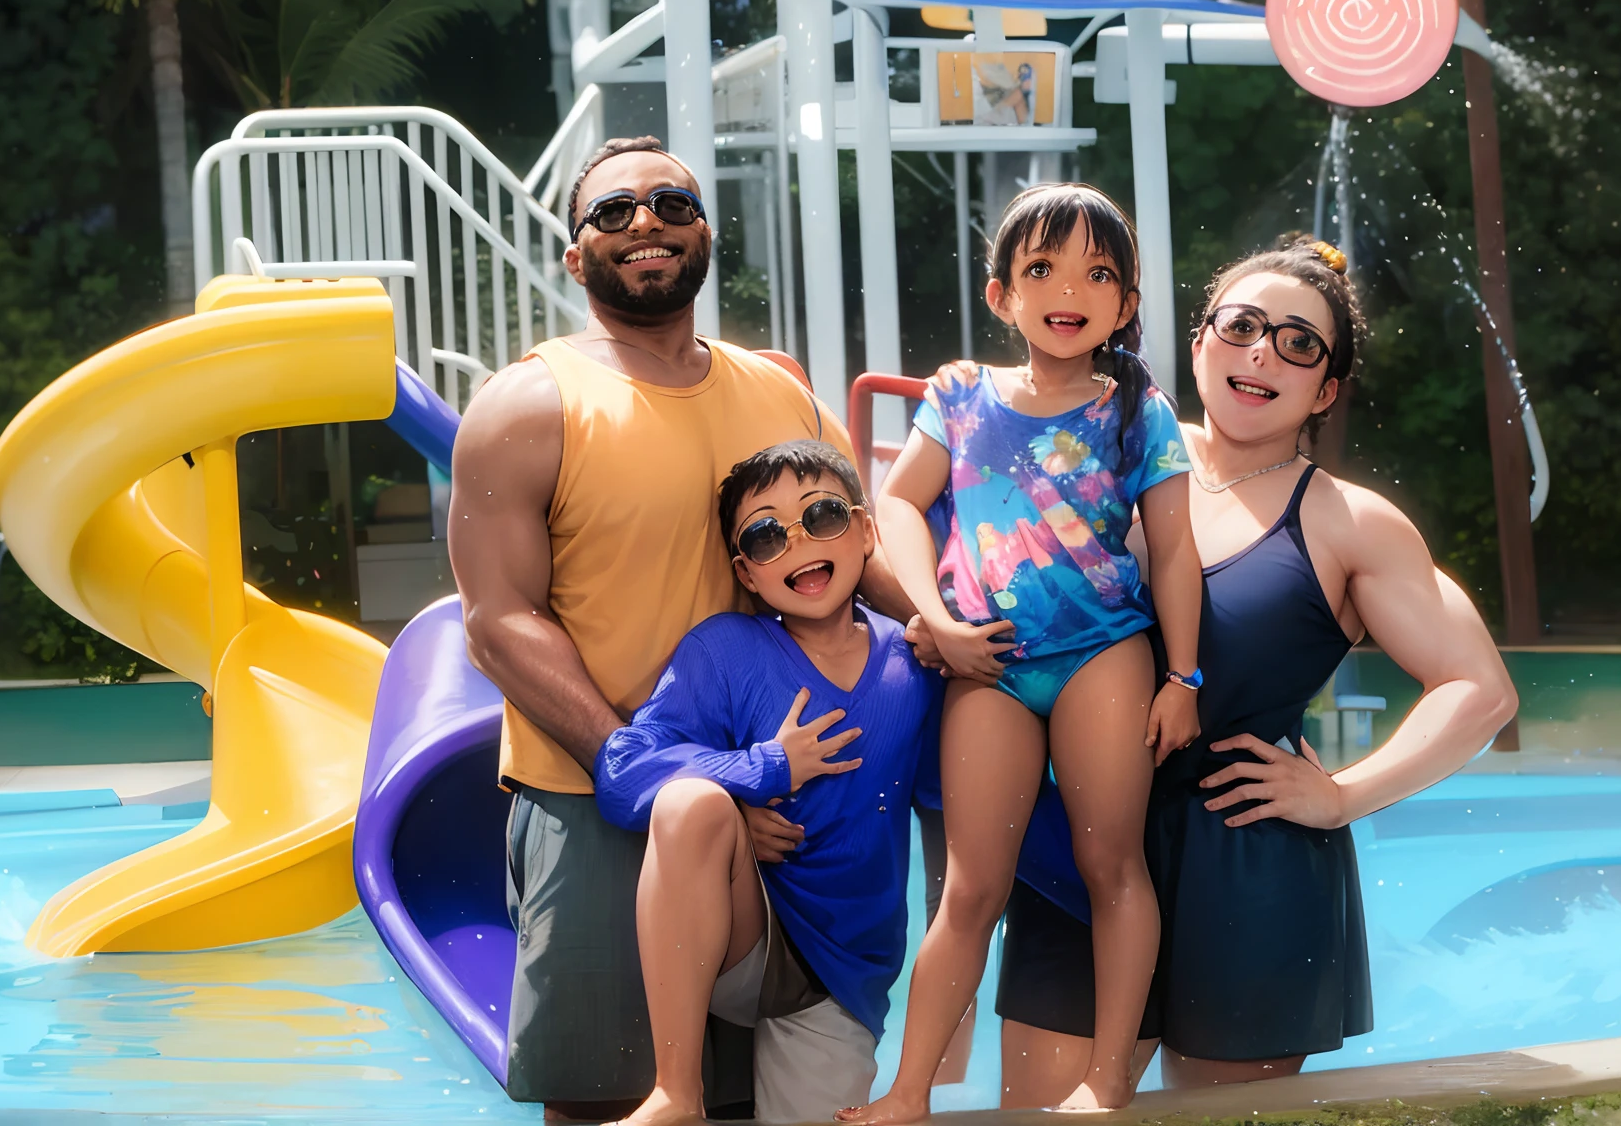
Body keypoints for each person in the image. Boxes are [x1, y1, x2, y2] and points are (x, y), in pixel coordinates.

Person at [993, 235, 1521, 1105]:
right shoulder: (1105, 464)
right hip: (1084, 848)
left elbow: (1481, 691)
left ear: (1328, 387)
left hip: (1246, 864)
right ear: (1198, 342)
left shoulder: (1352, 523)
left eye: (1298, 342)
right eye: (1241, 326)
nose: (1262, 352)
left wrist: (1345, 794)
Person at [447, 136, 907, 1118]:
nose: (644, 222)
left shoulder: (779, 393)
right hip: (593, 790)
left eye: (669, 202)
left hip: (797, 793)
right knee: (610, 1098)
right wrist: (656, 776)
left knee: (760, 1098)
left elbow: (851, 541)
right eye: (611, 212)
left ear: (705, 230)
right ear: (575, 256)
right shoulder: (528, 405)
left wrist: (943, 631)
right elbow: (497, 621)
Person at [844, 183, 1205, 1122]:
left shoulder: (1138, 413)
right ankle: (908, 1091)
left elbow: (1174, 552)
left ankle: (1109, 1075)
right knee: (970, 888)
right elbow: (892, 508)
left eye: (1097, 274)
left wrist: (1183, 678)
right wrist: (935, 622)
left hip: (1103, 657)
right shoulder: (960, 394)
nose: (1067, 289)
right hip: (989, 665)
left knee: (1111, 867)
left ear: (1125, 306)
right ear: (1003, 293)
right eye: (1041, 268)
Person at [593, 440, 941, 1126]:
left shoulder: (914, 665)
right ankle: (676, 1094)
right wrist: (761, 770)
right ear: (746, 572)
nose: (799, 545)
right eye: (765, 534)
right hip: (737, 938)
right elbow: (622, 769)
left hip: (837, 977)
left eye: (824, 517)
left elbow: (974, 806)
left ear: (867, 530)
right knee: (693, 805)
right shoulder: (726, 650)